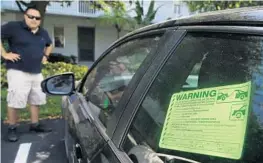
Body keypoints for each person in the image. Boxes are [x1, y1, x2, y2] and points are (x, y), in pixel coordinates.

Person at [1, 7, 53, 142]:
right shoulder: (13, 27)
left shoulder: (43, 32)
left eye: (37, 18)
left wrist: (46, 56)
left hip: (36, 71)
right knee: (15, 99)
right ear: (25, 16)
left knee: (37, 98)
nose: (34, 20)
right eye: (31, 17)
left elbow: (49, 44)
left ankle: (34, 125)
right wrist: (4, 54)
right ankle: (12, 127)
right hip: (18, 70)